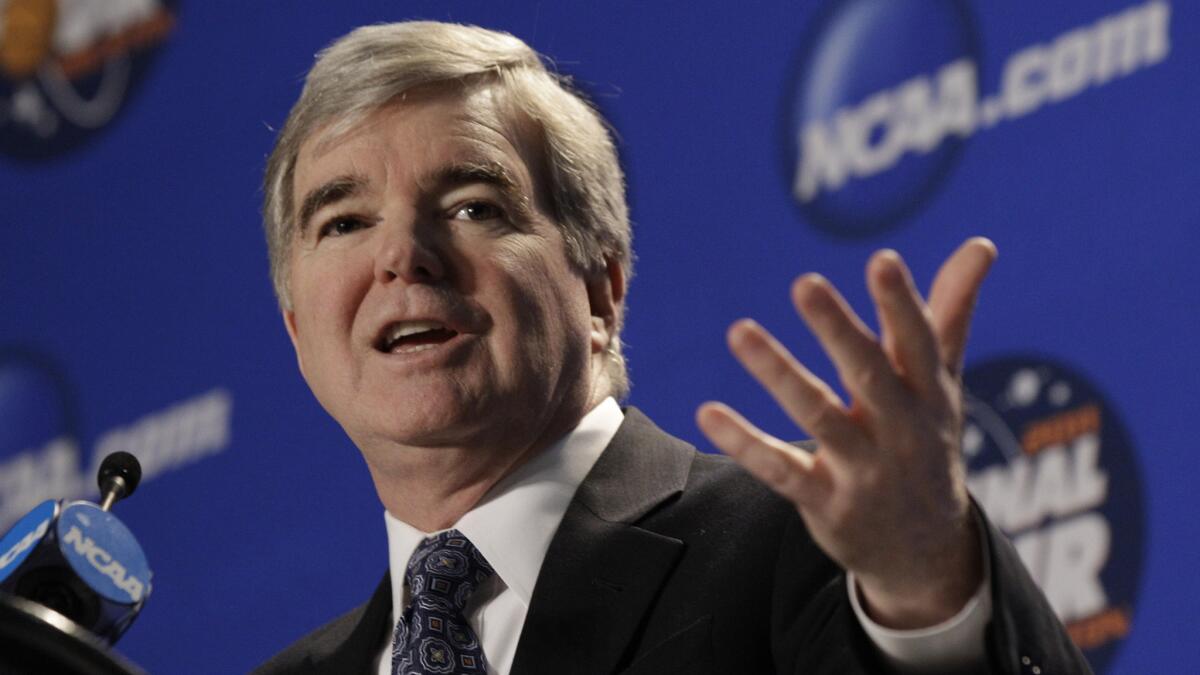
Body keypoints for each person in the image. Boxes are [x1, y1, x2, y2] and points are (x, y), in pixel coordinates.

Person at [253, 21, 1090, 675]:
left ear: (601, 290)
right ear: (299, 330)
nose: (402, 255)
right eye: (344, 222)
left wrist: (926, 596)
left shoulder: (803, 537)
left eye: (475, 206)